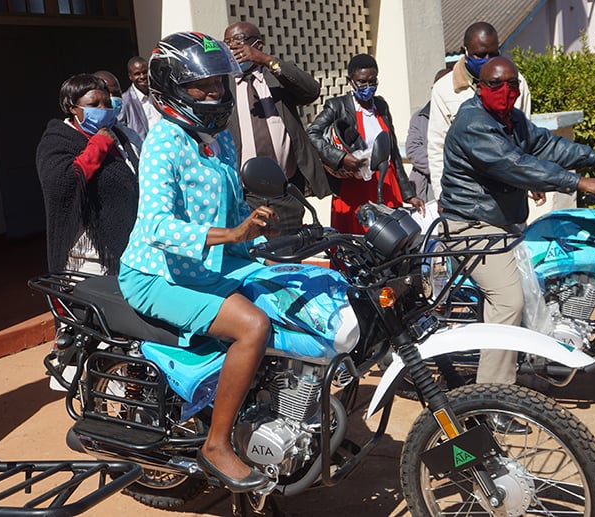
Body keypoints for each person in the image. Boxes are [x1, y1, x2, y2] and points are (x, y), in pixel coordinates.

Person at [118, 32, 277, 493]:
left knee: (293, 291)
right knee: (252, 326)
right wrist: (231, 235)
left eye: (218, 84)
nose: (213, 94)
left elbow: (230, 208)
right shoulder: (163, 143)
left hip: (211, 264)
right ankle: (217, 444)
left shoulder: (220, 138)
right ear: (170, 87)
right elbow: (156, 228)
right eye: (200, 86)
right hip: (156, 274)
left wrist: (257, 230)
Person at [440, 57, 595, 390]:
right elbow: (514, 164)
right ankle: (494, 397)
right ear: (481, 87)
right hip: (472, 228)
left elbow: (548, 145)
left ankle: (527, 365)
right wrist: (579, 183)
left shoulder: (513, 119)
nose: (505, 91)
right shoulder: (473, 123)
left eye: (511, 84)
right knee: (508, 301)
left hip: (503, 227)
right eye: (496, 84)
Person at [223, 21, 330, 235]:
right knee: (255, 261)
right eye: (227, 44)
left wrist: (267, 61)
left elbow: (311, 91)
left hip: (286, 192)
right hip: (245, 196)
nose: (233, 49)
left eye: (239, 42)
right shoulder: (222, 85)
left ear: (258, 45)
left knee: (289, 260)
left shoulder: (278, 77)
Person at [307, 53, 424, 234]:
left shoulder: (381, 106)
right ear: (350, 80)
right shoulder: (337, 106)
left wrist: (408, 194)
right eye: (362, 82)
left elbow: (393, 153)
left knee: (390, 239)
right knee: (358, 241)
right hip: (353, 188)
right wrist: (341, 158)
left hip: (385, 184)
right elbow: (312, 133)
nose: (368, 87)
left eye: (373, 82)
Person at [36, 73, 139, 275]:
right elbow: (63, 182)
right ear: (72, 108)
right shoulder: (57, 140)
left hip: (131, 241)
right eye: (94, 104)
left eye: (106, 103)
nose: (103, 109)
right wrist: (99, 146)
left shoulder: (120, 135)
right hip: (88, 252)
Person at [427, 22, 531, 200]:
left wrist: (531, 180)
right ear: (465, 51)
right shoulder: (444, 89)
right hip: (465, 194)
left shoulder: (515, 82)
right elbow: (437, 147)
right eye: (480, 55)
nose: (488, 60)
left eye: (493, 53)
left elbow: (525, 136)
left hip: (508, 192)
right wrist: (442, 195)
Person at [405, 68, 449, 202]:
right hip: (427, 187)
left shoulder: (465, 114)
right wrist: (443, 167)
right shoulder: (420, 117)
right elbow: (413, 150)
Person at [93, 70, 143, 157]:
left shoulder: (131, 135)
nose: (112, 98)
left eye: (116, 93)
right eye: (107, 94)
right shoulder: (82, 137)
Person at [118, 56, 162, 140]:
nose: (142, 76)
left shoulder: (159, 94)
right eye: (137, 74)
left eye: (145, 72)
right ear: (130, 76)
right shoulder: (125, 101)